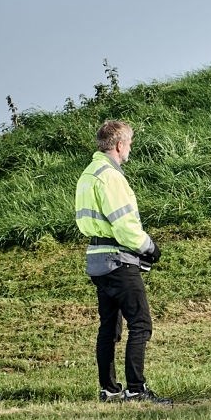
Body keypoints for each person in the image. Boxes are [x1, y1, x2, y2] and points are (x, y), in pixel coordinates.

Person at [74, 119, 171, 404]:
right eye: (129, 144)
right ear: (119, 145)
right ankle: (136, 390)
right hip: (119, 259)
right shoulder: (111, 177)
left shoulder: (88, 174)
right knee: (140, 323)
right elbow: (124, 225)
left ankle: (109, 389)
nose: (130, 149)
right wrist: (149, 247)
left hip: (97, 259)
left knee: (109, 327)